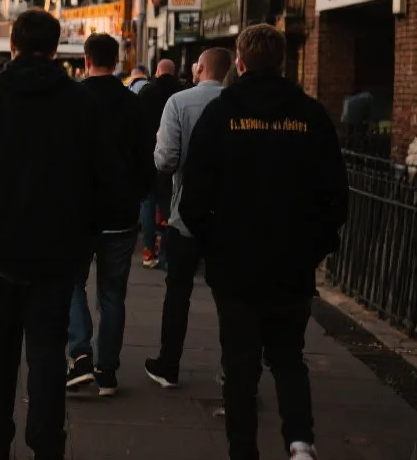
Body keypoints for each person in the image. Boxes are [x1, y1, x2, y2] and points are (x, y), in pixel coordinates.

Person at [0, 9, 112, 460]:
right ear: (56, 48)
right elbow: (102, 176)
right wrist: (88, 234)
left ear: (13, 44)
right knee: (48, 352)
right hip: (58, 253)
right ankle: (47, 442)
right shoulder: (81, 102)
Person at [179, 25, 347, 460]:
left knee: (240, 365)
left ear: (240, 61)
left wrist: (208, 241)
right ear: (283, 62)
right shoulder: (310, 115)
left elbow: (194, 193)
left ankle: (243, 449)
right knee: (289, 357)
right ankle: (300, 442)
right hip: (292, 262)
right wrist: (317, 246)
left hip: (234, 263)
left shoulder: (221, 114)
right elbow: (335, 193)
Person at [65, 34, 155, 397]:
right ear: (117, 60)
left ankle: (81, 352)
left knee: (72, 284)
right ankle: (107, 370)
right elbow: (147, 158)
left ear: (86, 60)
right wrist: (138, 197)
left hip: (78, 212)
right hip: (120, 213)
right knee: (113, 294)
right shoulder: (133, 104)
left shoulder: (72, 100)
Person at [145, 47, 232, 389]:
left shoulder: (179, 103)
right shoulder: (239, 104)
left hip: (186, 214)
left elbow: (165, 160)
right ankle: (230, 372)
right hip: (229, 216)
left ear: (200, 69)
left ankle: (168, 364)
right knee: (229, 298)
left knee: (177, 291)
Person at [137, 59, 182, 268]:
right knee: (167, 205)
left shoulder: (146, 93)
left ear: (157, 71)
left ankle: (148, 252)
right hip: (173, 157)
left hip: (147, 157)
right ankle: (165, 253)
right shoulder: (181, 92)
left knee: (147, 203)